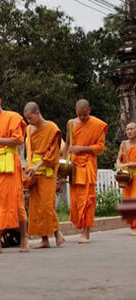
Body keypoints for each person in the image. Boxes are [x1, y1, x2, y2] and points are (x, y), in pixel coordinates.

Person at [0, 90, 29, 254]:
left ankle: (24, 238)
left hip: (11, 163)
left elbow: (18, 140)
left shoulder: (13, 117)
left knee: (17, 202)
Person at [23, 102, 65, 248]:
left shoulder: (52, 128)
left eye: (30, 118)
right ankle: (45, 239)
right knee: (35, 207)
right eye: (27, 119)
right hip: (33, 172)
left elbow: (53, 152)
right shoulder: (29, 129)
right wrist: (29, 166)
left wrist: (38, 165)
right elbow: (28, 151)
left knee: (47, 205)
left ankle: (56, 233)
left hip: (46, 169)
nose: (29, 121)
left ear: (37, 113)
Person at [65, 99, 107, 244]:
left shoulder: (97, 124)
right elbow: (68, 144)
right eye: (80, 115)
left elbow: (100, 147)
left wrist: (82, 148)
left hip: (88, 164)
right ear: (76, 111)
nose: (82, 118)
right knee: (76, 199)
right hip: (74, 165)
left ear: (89, 110)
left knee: (88, 198)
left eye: (85, 115)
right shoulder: (71, 123)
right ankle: (80, 226)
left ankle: (86, 232)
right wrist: (64, 163)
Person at [115, 122, 136, 235]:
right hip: (127, 178)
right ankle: (132, 226)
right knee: (128, 200)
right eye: (127, 129)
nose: (129, 131)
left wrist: (128, 165)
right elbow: (119, 158)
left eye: (132, 129)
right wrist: (119, 166)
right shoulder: (123, 144)